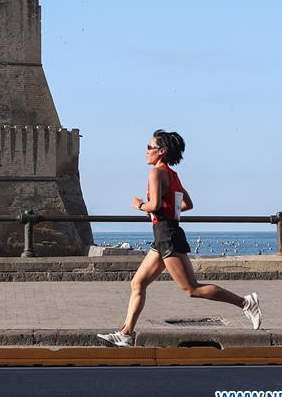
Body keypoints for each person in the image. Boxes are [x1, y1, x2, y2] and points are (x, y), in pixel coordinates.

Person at [98, 130, 262, 347]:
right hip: (164, 234)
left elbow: (155, 205)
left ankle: (245, 303)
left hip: (167, 235)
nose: (146, 151)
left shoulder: (156, 173)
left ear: (161, 151)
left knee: (191, 289)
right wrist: (163, 212)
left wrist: (140, 205)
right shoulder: (172, 175)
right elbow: (187, 204)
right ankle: (126, 334)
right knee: (138, 283)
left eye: (149, 147)